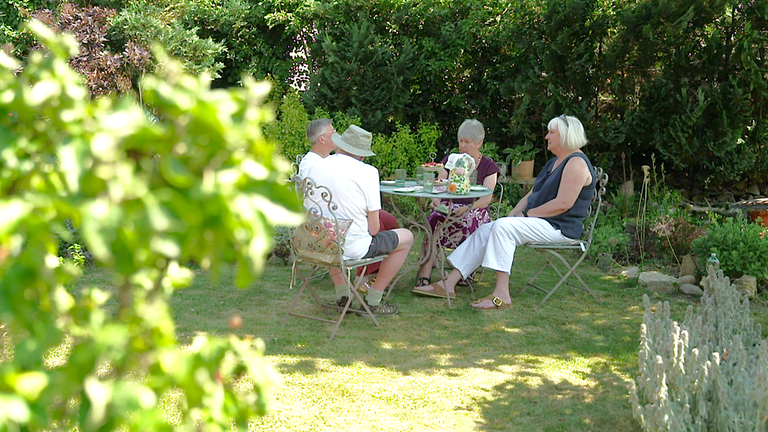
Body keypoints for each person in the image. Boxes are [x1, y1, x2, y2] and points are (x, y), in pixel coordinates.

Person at [412, 115, 596, 310]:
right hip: (543, 222)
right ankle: (448, 284)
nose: (546, 136)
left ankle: (502, 295)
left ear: (566, 136)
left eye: (552, 132)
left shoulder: (576, 163)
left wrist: (526, 215)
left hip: (560, 227)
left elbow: (563, 204)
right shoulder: (555, 162)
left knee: (502, 228)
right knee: (487, 229)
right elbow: (532, 194)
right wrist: (512, 215)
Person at [309, 125, 414, 316]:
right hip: (350, 248)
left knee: (331, 234)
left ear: (340, 145)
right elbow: (374, 229)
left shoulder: (316, 166)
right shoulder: (368, 172)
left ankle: (344, 297)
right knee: (406, 237)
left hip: (315, 242)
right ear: (363, 155)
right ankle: (373, 301)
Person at [413, 119, 499, 289]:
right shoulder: (451, 160)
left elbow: (486, 199)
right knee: (433, 220)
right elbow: (439, 184)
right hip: (449, 207)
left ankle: (464, 272)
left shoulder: (489, 167)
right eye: (461, 141)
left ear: (479, 143)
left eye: (467, 142)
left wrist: (468, 208)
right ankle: (426, 269)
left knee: (470, 220)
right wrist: (436, 200)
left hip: (475, 208)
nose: (463, 146)